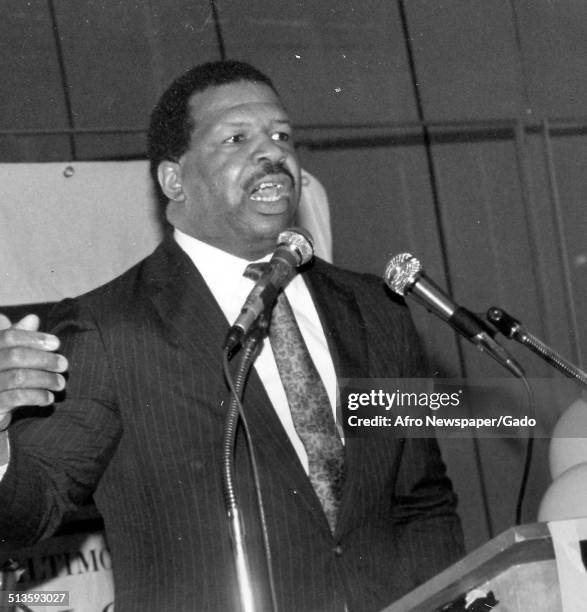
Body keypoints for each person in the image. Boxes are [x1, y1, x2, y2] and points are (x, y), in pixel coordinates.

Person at [0, 60, 464, 611]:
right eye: (237, 138)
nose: (272, 153)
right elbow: (30, 511)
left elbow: (422, 502)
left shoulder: (376, 309)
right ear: (175, 180)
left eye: (282, 135)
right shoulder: (109, 328)